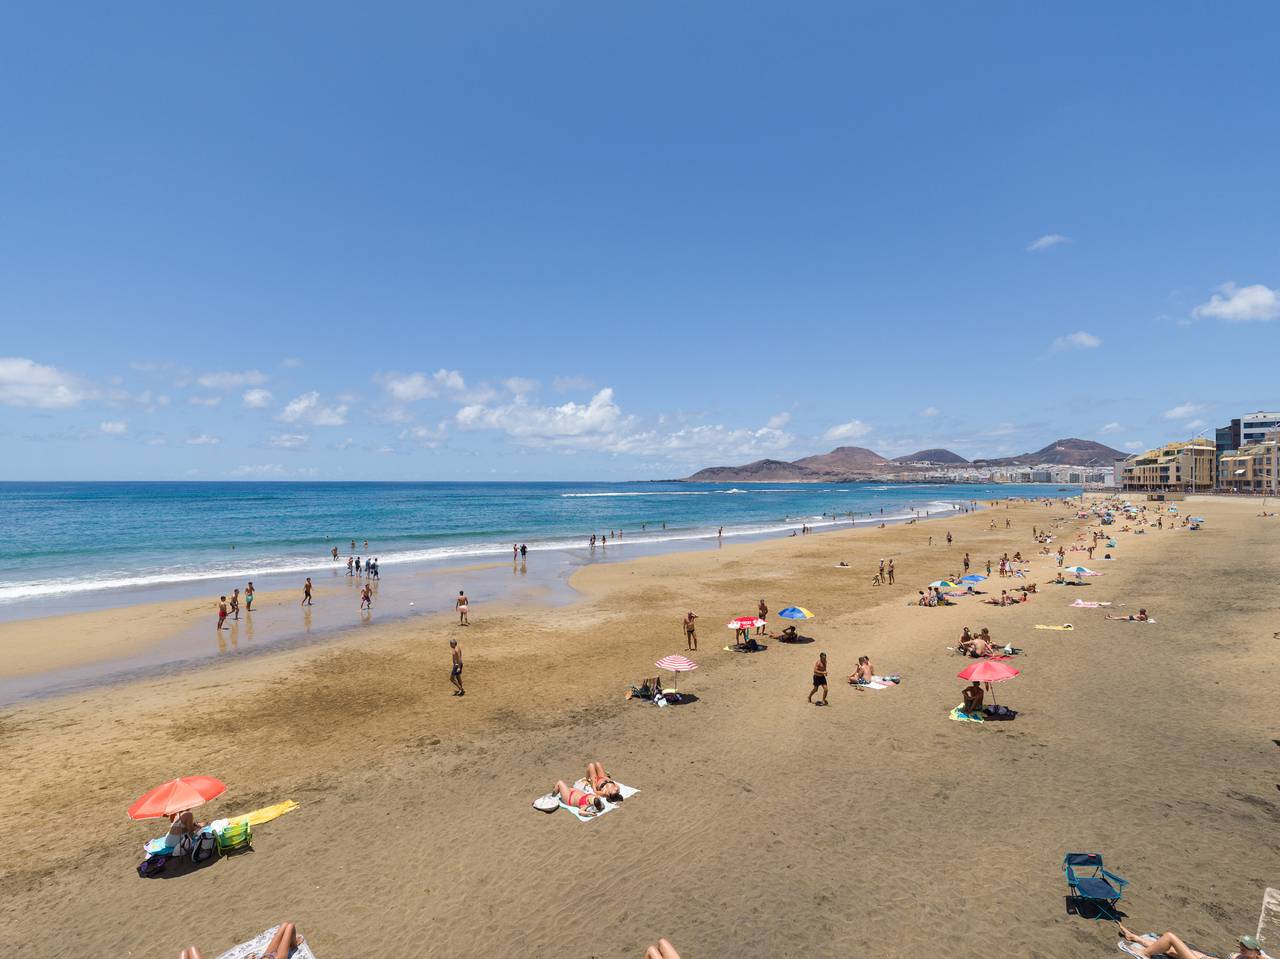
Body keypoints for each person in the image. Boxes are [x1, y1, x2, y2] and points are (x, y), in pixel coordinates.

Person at [1117, 924, 1264, 959]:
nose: (1242, 949)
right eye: (1242, 946)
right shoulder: (1249, 956)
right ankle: (1136, 938)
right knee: (1169, 950)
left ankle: (1143, 953)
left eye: (1246, 948)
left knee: (1169, 937)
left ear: (1256, 951)